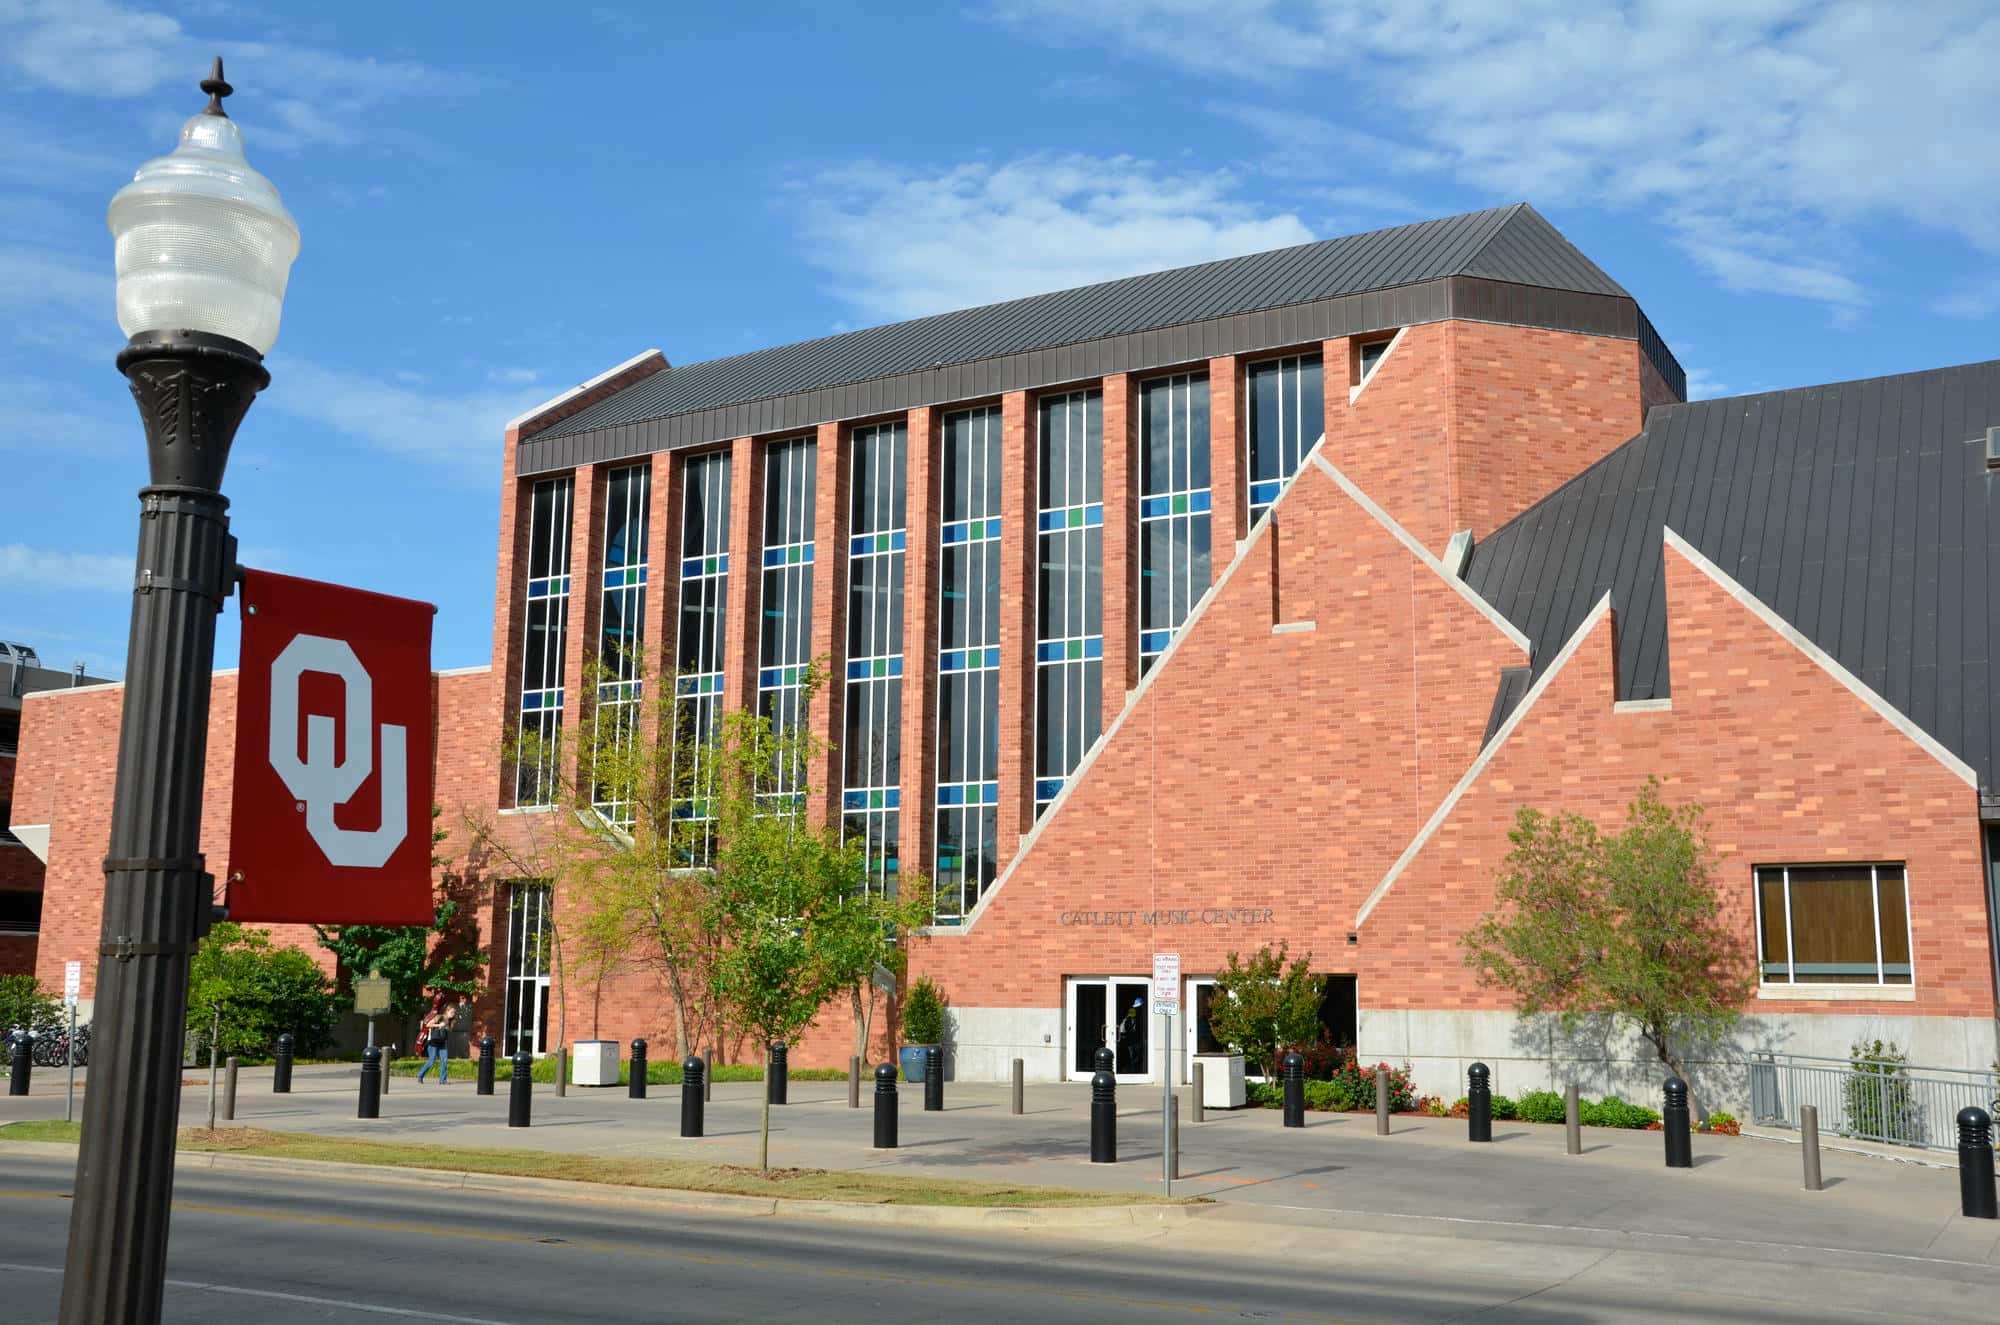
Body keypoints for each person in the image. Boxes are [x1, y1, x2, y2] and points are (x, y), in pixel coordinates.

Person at [415, 993, 451, 1084]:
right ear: (447, 1011)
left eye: (454, 1013)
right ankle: (420, 1075)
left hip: (442, 1043)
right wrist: (439, 1025)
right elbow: (428, 1024)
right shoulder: (439, 1017)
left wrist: (446, 1027)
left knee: (444, 1061)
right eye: (452, 1012)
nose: (454, 1014)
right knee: (431, 1061)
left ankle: (442, 1080)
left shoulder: (450, 1021)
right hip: (433, 1043)